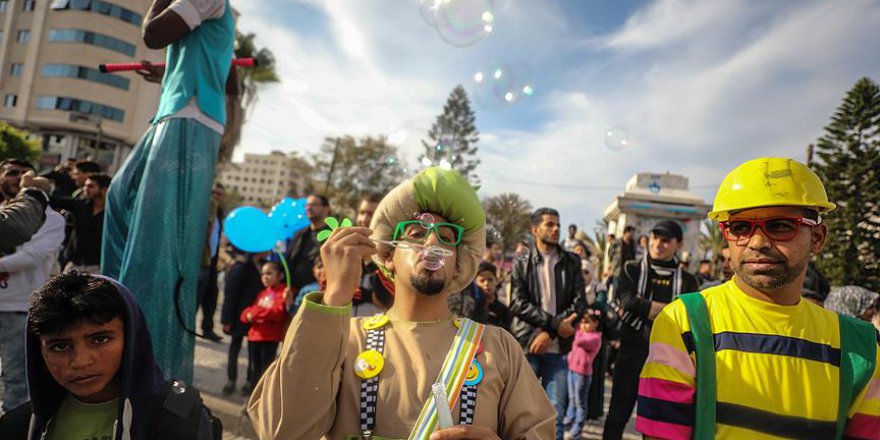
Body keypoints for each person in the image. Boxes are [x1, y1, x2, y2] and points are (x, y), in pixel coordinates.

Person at [247, 167, 555, 439]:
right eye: (417, 233)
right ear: (388, 255)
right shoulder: (343, 337)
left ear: (458, 263)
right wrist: (335, 295)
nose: (432, 243)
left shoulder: (497, 347)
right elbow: (281, 430)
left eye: (447, 237)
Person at [636, 158, 880, 440]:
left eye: (779, 226)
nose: (757, 242)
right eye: (740, 227)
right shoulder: (684, 323)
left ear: (817, 237)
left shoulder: (861, 348)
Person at [101, 0, 236, 383]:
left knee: (159, 245)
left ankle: (152, 367)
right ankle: (114, 309)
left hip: (191, 119)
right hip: (177, 113)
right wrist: (166, 73)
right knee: (120, 198)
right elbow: (228, 75)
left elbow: (153, 33)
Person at [0, 272, 220, 439]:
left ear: (131, 339)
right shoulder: (17, 427)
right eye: (60, 346)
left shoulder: (178, 419)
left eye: (100, 339)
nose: (81, 361)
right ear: (41, 357)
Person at [603, 219, 699, 440]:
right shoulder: (631, 269)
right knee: (617, 417)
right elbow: (626, 301)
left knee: (659, 426)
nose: (658, 244)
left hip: (669, 361)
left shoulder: (687, 280)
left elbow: (689, 315)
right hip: (631, 352)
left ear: (679, 245)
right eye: (655, 238)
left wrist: (645, 307)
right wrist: (671, 311)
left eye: (666, 240)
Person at [509, 207, 587, 440]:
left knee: (555, 414)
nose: (556, 229)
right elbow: (517, 302)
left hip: (559, 349)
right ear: (535, 229)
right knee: (520, 413)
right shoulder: (521, 261)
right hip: (528, 344)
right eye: (550, 224)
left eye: (558, 225)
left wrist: (551, 333)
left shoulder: (572, 261)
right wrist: (553, 325)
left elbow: (580, 303)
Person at [0, 164, 65, 412]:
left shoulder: (52, 218)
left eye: (25, 174)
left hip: (19, 309)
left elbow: (32, 256)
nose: (18, 178)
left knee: (16, 379)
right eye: (11, 172)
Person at [240, 261, 291, 390]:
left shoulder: (284, 292)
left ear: (279, 275)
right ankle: (251, 397)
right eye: (263, 274)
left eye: (269, 273)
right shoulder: (262, 293)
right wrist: (253, 314)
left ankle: (260, 400)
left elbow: (277, 313)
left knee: (265, 371)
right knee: (253, 369)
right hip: (254, 336)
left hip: (269, 338)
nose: (265, 277)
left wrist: (255, 314)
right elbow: (245, 314)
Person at [220, 250, 264, 396]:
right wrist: (227, 319)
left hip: (257, 317)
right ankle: (231, 379)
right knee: (235, 347)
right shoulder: (240, 267)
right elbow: (230, 295)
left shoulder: (267, 267)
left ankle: (250, 381)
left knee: (253, 350)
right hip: (238, 316)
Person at [49, 174, 110, 273]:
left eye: (91, 186)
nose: (85, 189)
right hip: (74, 264)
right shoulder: (80, 206)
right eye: (85, 186)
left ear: (104, 190)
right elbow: (54, 200)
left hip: (97, 267)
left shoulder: (113, 212)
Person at [563, 309, 602, 440]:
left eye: (587, 322)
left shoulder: (595, 338)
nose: (584, 325)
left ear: (596, 323)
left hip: (583, 374)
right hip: (572, 369)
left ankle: (577, 428)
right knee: (572, 398)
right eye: (582, 322)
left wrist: (577, 332)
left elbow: (580, 341)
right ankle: (569, 420)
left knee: (580, 402)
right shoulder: (580, 333)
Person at [196, 183, 226, 342]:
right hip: (202, 259)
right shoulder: (207, 206)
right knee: (196, 296)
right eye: (213, 192)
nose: (215, 196)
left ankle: (207, 328)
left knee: (212, 295)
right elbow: (207, 230)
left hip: (212, 259)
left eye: (219, 194)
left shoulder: (218, 211)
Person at [285, 194, 331, 290]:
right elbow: (289, 260)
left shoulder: (332, 235)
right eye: (307, 205)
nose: (309, 208)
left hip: (319, 291)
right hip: (295, 290)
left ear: (326, 209)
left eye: (314, 205)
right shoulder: (299, 234)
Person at [0, 168, 51, 249]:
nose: (20, 177)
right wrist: (34, 193)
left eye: (24, 173)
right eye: (12, 173)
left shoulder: (50, 216)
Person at [473, 261, 511, 330]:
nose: (486, 284)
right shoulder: (470, 308)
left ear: (496, 281)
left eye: (490, 280)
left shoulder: (503, 311)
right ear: (476, 283)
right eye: (482, 281)